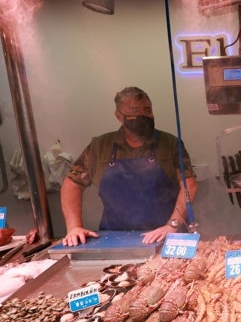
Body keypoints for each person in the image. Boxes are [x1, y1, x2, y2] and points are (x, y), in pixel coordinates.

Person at [60, 86, 198, 246]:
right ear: (119, 116)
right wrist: (74, 227)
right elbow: (72, 184)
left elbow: (189, 185)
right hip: (113, 238)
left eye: (147, 110)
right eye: (135, 111)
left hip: (165, 236)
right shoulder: (100, 146)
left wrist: (173, 225)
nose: (143, 116)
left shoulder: (171, 144)